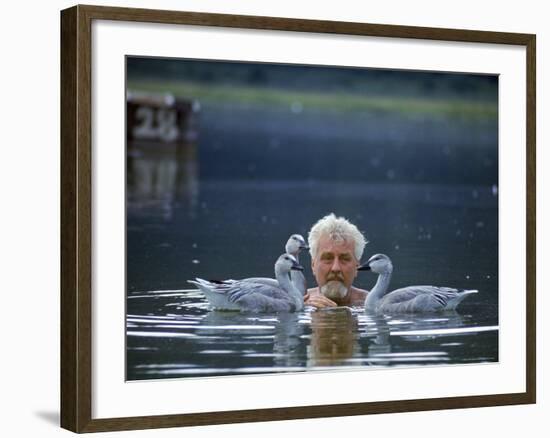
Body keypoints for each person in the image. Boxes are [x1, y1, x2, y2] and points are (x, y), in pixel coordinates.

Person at [304, 213, 369, 308]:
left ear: (356, 267)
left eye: (344, 259)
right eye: (328, 258)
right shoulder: (296, 304)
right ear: (313, 265)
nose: (336, 268)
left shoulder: (373, 305)